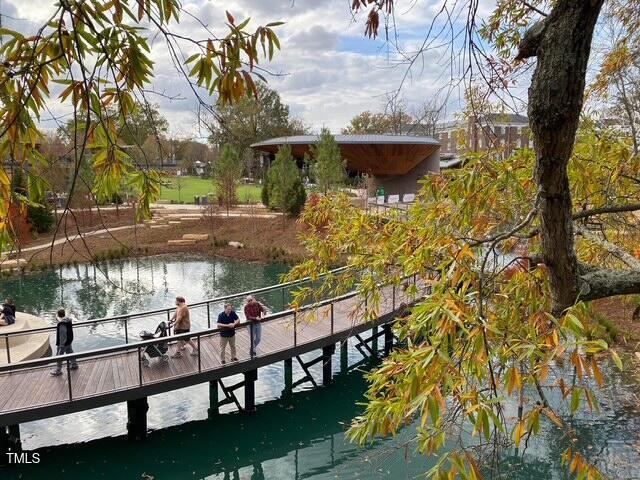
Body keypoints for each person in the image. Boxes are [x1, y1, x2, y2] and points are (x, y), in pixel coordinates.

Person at [50, 308, 78, 376]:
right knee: (70, 352)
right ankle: (74, 364)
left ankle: (58, 370)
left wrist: (61, 345)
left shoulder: (62, 324)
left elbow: (63, 334)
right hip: (69, 340)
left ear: (58, 315)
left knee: (59, 356)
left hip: (63, 343)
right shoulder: (68, 320)